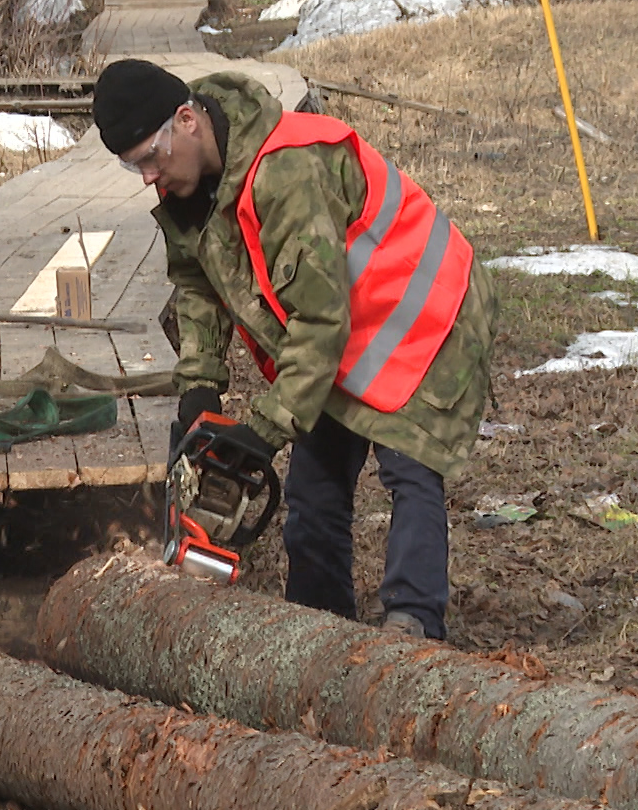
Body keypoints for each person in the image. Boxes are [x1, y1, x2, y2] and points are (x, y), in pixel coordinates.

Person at [93, 59, 494, 640]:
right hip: (343, 332)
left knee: (410, 469)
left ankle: (413, 626)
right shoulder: (190, 185)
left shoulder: (287, 171)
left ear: (186, 121)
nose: (149, 176)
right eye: (134, 166)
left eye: (151, 157)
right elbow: (197, 282)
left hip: (423, 314)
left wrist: (265, 429)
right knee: (313, 491)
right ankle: (318, 635)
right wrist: (200, 385)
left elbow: (319, 321)